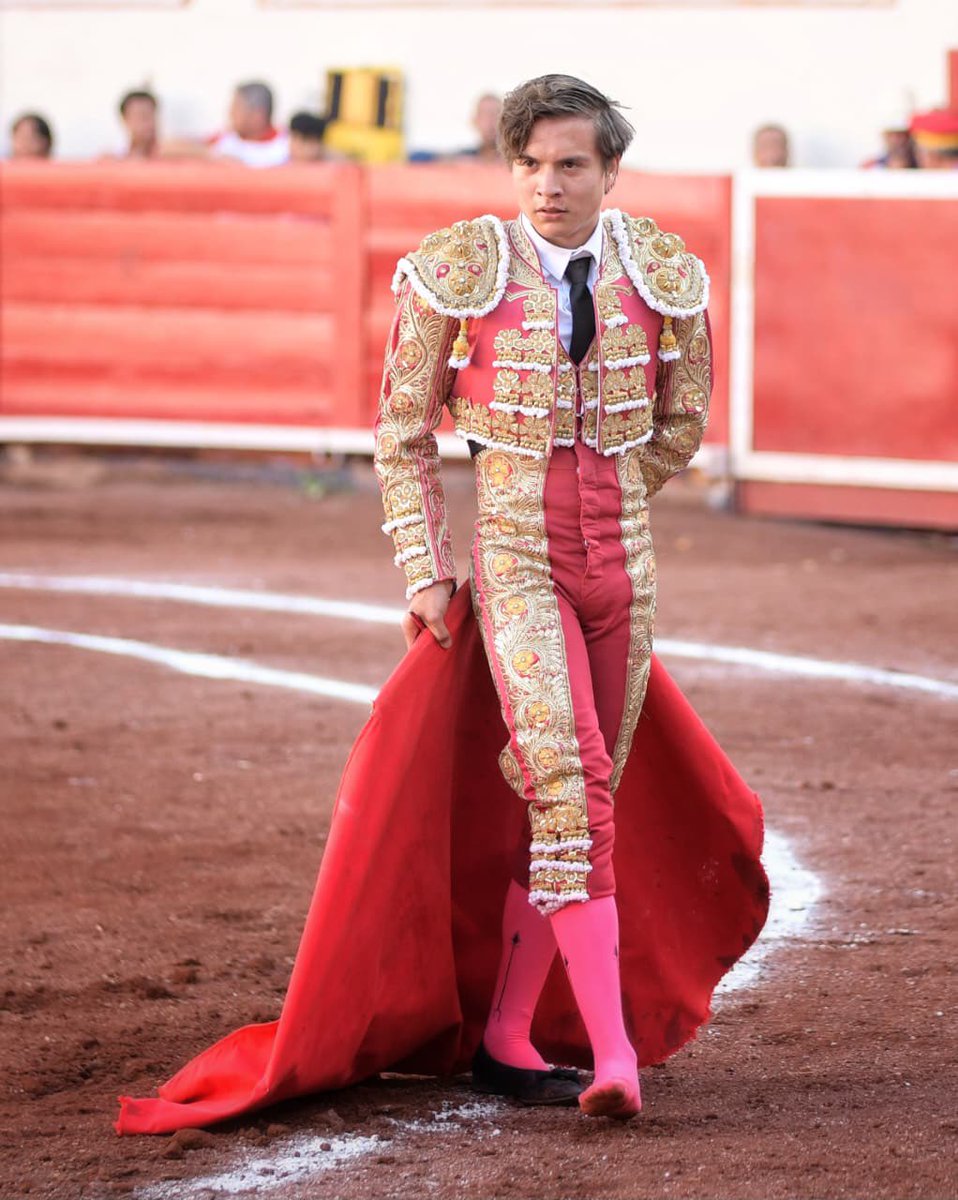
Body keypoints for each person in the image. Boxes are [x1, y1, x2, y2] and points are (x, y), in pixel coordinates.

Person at [115, 75, 769, 1138]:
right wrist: (425, 569)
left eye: (568, 165)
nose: (547, 185)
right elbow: (403, 431)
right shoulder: (459, 270)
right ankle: (611, 1057)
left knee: (569, 794)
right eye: (530, 165)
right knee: (575, 783)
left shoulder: (662, 274)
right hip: (514, 559)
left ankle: (509, 1038)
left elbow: (680, 421)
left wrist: (601, 500)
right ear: (509, 168)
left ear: (609, 172)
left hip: (625, 570)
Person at [161, 81, 290, 168]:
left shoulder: (287, 144)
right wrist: (212, 156)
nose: (230, 113)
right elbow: (166, 148)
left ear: (258, 115)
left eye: (236, 108)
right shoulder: (225, 140)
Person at [117, 89, 159, 159]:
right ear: (125, 119)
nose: (150, 123)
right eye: (143, 116)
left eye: (152, 115)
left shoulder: (172, 154)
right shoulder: (113, 159)